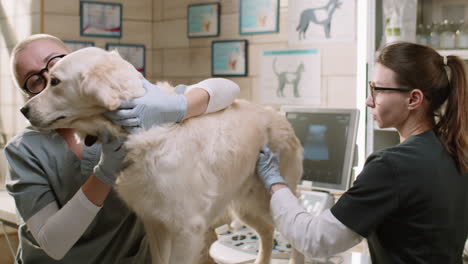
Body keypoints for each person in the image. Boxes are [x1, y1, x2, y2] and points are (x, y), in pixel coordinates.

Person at [5, 33, 240, 263]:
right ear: (29, 95)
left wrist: (179, 105)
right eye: (35, 80)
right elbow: (53, 243)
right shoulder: (24, 150)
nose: (48, 79)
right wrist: (105, 172)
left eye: (56, 65)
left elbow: (227, 88)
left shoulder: (129, 110)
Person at [256, 42, 468, 263]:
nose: (369, 101)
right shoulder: (454, 150)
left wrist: (274, 182)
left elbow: (315, 241)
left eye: (377, 90)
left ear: (413, 99)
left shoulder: (392, 166)